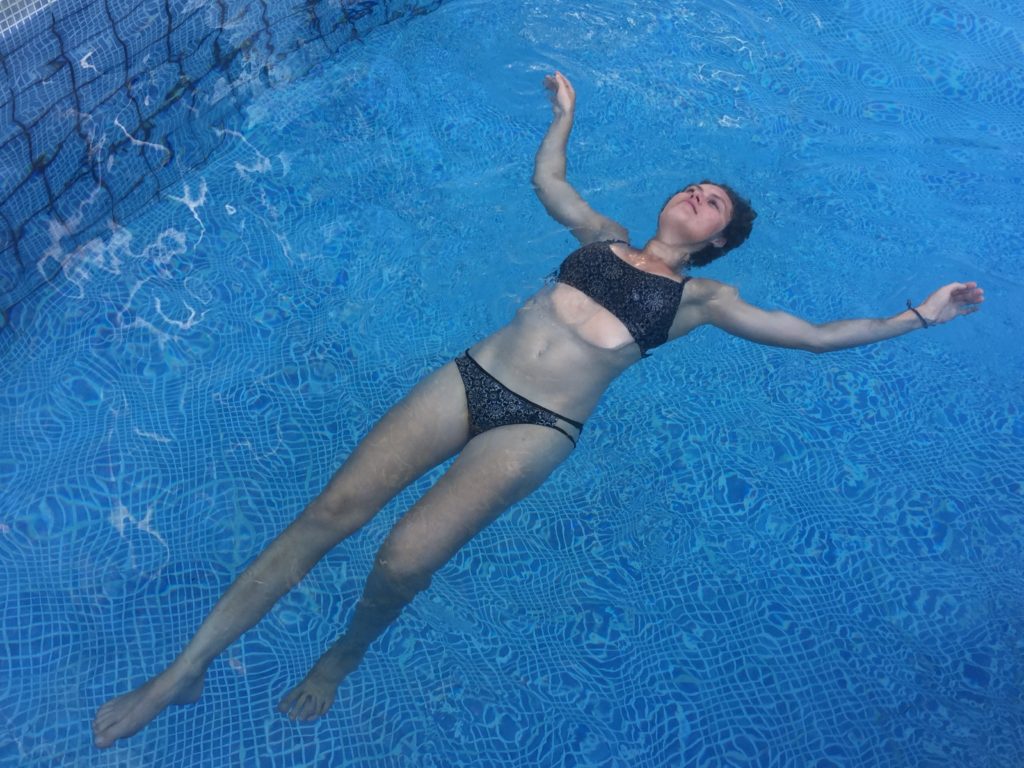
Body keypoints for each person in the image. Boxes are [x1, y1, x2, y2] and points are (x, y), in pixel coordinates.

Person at [91, 71, 983, 747]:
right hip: (471, 376)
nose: (696, 194)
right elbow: (549, 182)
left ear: (718, 239)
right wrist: (564, 116)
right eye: (694, 185)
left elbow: (816, 336)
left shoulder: (704, 300)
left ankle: (345, 652)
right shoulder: (602, 237)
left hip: (537, 429)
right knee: (331, 511)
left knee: (403, 558)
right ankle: (184, 670)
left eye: (712, 202)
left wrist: (919, 315)